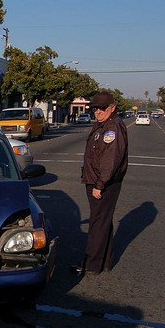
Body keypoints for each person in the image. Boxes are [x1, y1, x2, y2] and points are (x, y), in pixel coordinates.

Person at [70, 91, 128, 277]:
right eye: (95, 108)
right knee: (103, 222)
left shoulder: (112, 128)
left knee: (97, 223)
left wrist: (100, 185)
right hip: (95, 180)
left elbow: (110, 160)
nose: (98, 112)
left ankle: (91, 264)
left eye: (102, 108)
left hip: (102, 183)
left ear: (112, 108)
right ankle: (104, 262)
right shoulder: (103, 125)